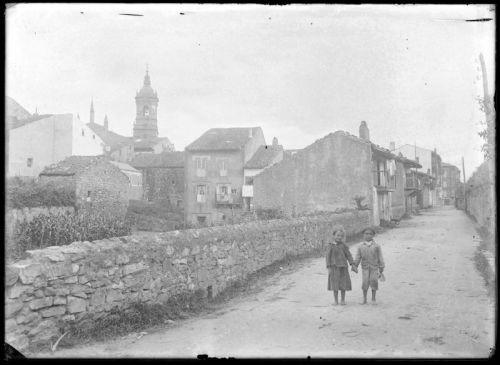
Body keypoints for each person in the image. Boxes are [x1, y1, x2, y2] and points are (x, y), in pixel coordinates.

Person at [326, 226, 357, 305]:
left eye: (341, 236)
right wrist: (329, 266)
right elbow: (327, 257)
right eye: (338, 235)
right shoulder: (330, 246)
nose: (339, 237)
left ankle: (343, 300)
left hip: (343, 268)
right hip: (334, 268)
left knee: (343, 284)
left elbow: (348, 255)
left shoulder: (344, 246)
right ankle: (336, 300)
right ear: (333, 235)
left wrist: (352, 264)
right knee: (335, 285)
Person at [353, 227, 385, 304]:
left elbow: (380, 256)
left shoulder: (377, 246)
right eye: (366, 234)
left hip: (374, 267)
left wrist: (381, 266)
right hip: (365, 268)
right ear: (363, 235)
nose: (368, 235)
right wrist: (355, 265)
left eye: (370, 234)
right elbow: (358, 257)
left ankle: (373, 299)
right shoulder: (360, 246)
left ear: (373, 235)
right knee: (365, 282)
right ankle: (364, 299)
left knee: (374, 281)